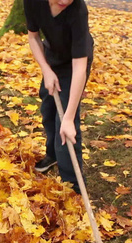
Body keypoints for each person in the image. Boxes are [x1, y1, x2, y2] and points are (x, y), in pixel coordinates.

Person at [24, 0, 94, 194]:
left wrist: (69, 118)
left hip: (75, 63)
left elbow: (80, 67)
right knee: (48, 110)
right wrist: (46, 70)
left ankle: (73, 187)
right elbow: (33, 37)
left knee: (65, 126)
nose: (64, 1)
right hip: (52, 57)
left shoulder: (78, 11)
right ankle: (52, 154)